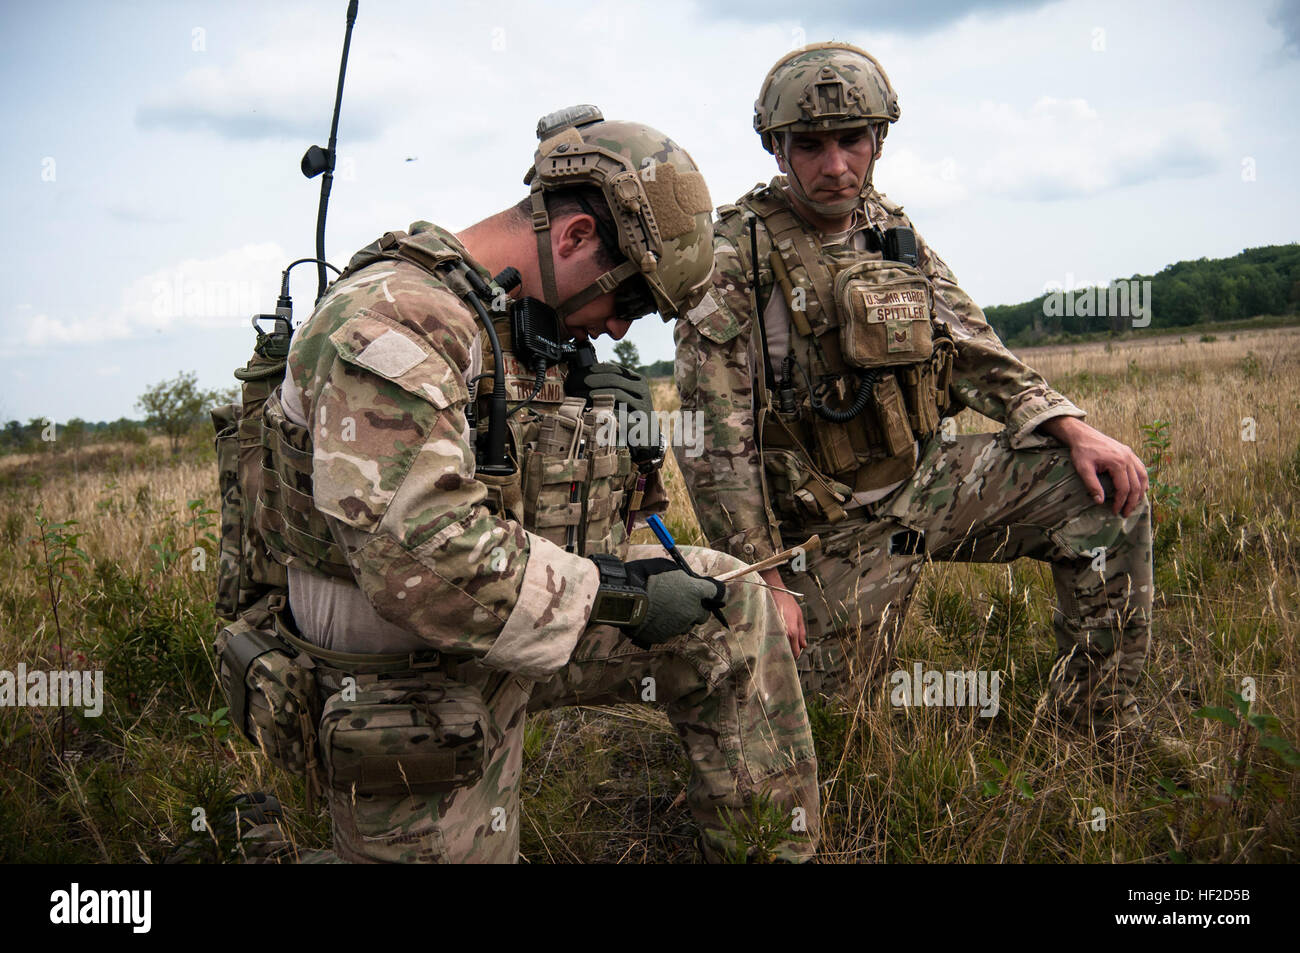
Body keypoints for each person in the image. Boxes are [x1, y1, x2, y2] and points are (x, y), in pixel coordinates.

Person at [227, 105, 818, 863]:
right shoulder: (399, 319)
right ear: (573, 238)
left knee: (729, 602)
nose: (617, 329)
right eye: (629, 297)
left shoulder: (505, 321)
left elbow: (534, 517)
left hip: (498, 628)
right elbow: (428, 563)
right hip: (399, 669)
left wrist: (616, 444)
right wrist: (625, 596)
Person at [674, 43, 1153, 736]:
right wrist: (766, 580)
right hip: (830, 529)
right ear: (777, 149)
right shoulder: (732, 259)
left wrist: (1069, 425)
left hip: (930, 482)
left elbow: (970, 346)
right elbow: (716, 448)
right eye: (810, 145)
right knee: (835, 736)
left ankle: (1101, 727)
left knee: (1105, 494)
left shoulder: (890, 229)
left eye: (852, 141)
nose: (835, 165)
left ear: (879, 139)